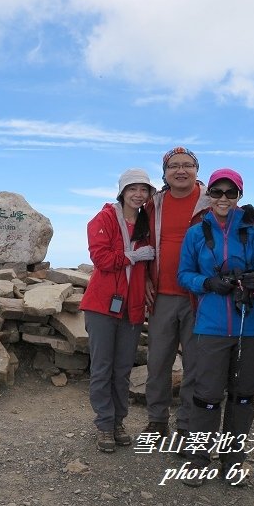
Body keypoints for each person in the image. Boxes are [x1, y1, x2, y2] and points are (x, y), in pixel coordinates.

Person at [176, 168, 254, 486]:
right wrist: (207, 282)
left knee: (243, 395)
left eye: (230, 193)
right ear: (210, 195)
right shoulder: (196, 232)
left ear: (239, 196)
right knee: (206, 395)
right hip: (212, 325)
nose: (222, 198)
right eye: (217, 192)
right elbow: (183, 274)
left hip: (252, 324)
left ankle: (233, 460)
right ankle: (199, 459)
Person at [80, 168, 157, 453]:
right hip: (102, 305)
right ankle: (104, 424)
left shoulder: (147, 222)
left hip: (132, 306)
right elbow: (100, 258)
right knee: (102, 367)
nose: (138, 194)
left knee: (123, 369)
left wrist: (146, 276)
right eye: (132, 189)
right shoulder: (104, 218)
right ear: (122, 191)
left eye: (144, 190)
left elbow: (150, 266)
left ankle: (118, 423)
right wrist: (132, 256)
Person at [140, 146, 211, 444]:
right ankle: (157, 421)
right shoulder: (153, 204)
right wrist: (145, 277)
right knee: (157, 362)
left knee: (195, 363)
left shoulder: (212, 201)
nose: (181, 170)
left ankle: (187, 424)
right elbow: (141, 241)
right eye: (174, 166)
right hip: (163, 294)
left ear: (197, 170)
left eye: (187, 165)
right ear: (165, 173)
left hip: (200, 296)